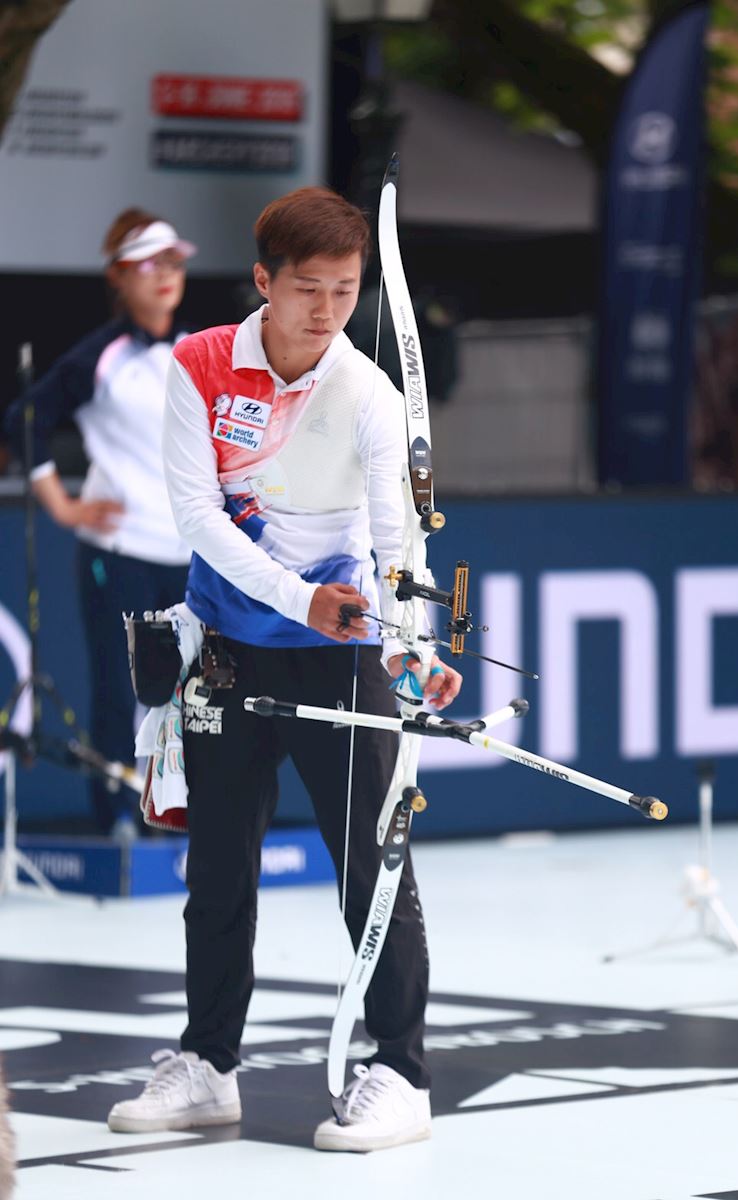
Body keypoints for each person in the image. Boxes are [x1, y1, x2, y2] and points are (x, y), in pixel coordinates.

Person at [106, 186, 462, 1152]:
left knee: (371, 868)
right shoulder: (202, 363)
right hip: (224, 647)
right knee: (219, 867)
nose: (327, 311)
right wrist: (293, 595)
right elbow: (197, 518)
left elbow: (395, 539)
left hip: (337, 660)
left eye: (347, 291)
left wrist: (408, 644)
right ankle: (208, 1064)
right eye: (308, 288)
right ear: (263, 281)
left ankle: (401, 1071)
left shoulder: (372, 397)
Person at [4, 209, 196, 840]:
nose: (167, 276)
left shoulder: (205, 349)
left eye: (174, 261)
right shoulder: (102, 356)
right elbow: (27, 418)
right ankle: (117, 814)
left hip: (193, 551)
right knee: (122, 686)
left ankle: (187, 811)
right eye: (150, 264)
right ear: (118, 277)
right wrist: (61, 503)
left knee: (195, 690)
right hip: (119, 549)